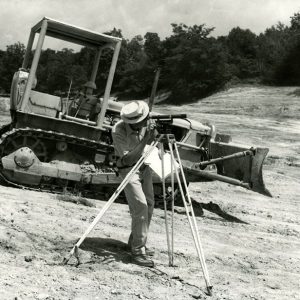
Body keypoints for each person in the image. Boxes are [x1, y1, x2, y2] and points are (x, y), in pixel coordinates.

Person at [112, 100, 157, 267]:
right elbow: (128, 158)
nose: (145, 122)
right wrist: (146, 139)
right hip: (128, 169)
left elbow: (154, 145)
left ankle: (137, 241)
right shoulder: (118, 130)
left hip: (144, 166)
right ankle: (137, 251)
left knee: (150, 205)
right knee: (140, 207)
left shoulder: (147, 123)